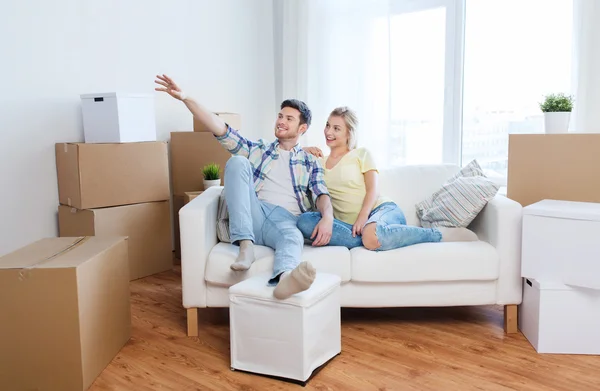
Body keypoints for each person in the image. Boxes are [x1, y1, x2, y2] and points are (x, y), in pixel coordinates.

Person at [155, 74, 335, 299]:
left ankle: (285, 279)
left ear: (302, 128)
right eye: (280, 116)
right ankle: (245, 246)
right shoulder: (258, 150)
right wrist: (185, 98)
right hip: (254, 212)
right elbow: (220, 128)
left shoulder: (310, 161)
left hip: (285, 220)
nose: (281, 121)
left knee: (293, 238)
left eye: (289, 119)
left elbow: (321, 194)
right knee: (237, 161)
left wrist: (327, 217)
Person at [297, 106, 478, 251]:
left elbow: (372, 190)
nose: (329, 131)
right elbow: (289, 158)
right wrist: (302, 151)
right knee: (304, 221)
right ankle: (372, 239)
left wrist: (363, 217)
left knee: (370, 233)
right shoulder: (318, 162)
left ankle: (436, 234)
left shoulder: (361, 154)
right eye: (328, 125)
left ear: (349, 133)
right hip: (347, 227)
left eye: (336, 128)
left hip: (380, 211)